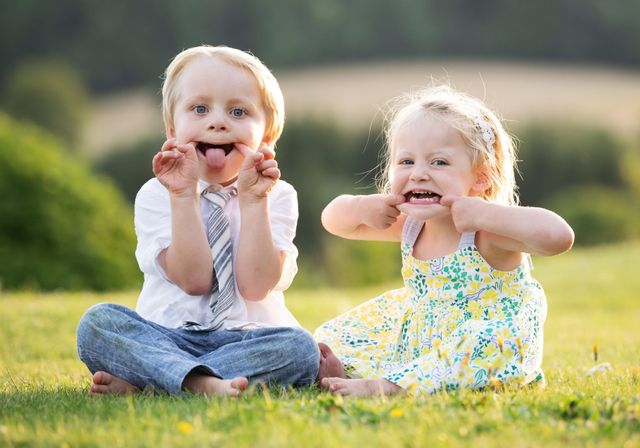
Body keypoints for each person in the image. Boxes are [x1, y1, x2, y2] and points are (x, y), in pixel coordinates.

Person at [76, 45, 320, 397]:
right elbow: (193, 280)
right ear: (173, 129)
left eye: (238, 111)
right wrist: (182, 195)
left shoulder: (278, 195)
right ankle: (197, 382)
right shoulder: (157, 193)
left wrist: (254, 201)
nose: (217, 121)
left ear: (266, 138)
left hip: (249, 338)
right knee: (98, 323)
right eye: (200, 109)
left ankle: (159, 383)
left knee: (300, 349)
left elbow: (255, 286)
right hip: (168, 336)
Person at [315, 85, 574, 396]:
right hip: (422, 341)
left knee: (484, 343)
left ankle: (385, 385)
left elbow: (559, 237)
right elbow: (332, 221)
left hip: (481, 341)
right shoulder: (409, 225)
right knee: (336, 334)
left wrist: (485, 214)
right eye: (406, 162)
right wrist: (361, 207)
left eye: (438, 162)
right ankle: (361, 371)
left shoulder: (486, 232)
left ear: (481, 178)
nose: (419, 174)